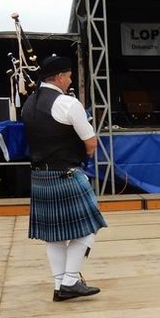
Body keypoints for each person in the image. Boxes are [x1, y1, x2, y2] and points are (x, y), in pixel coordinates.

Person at [21, 55, 107, 301]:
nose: (70, 81)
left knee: (54, 236)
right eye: (69, 77)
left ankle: (60, 285)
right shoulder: (68, 103)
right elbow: (91, 143)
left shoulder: (28, 103)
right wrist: (82, 156)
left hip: (39, 175)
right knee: (91, 227)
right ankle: (70, 280)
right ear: (59, 77)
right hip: (66, 173)